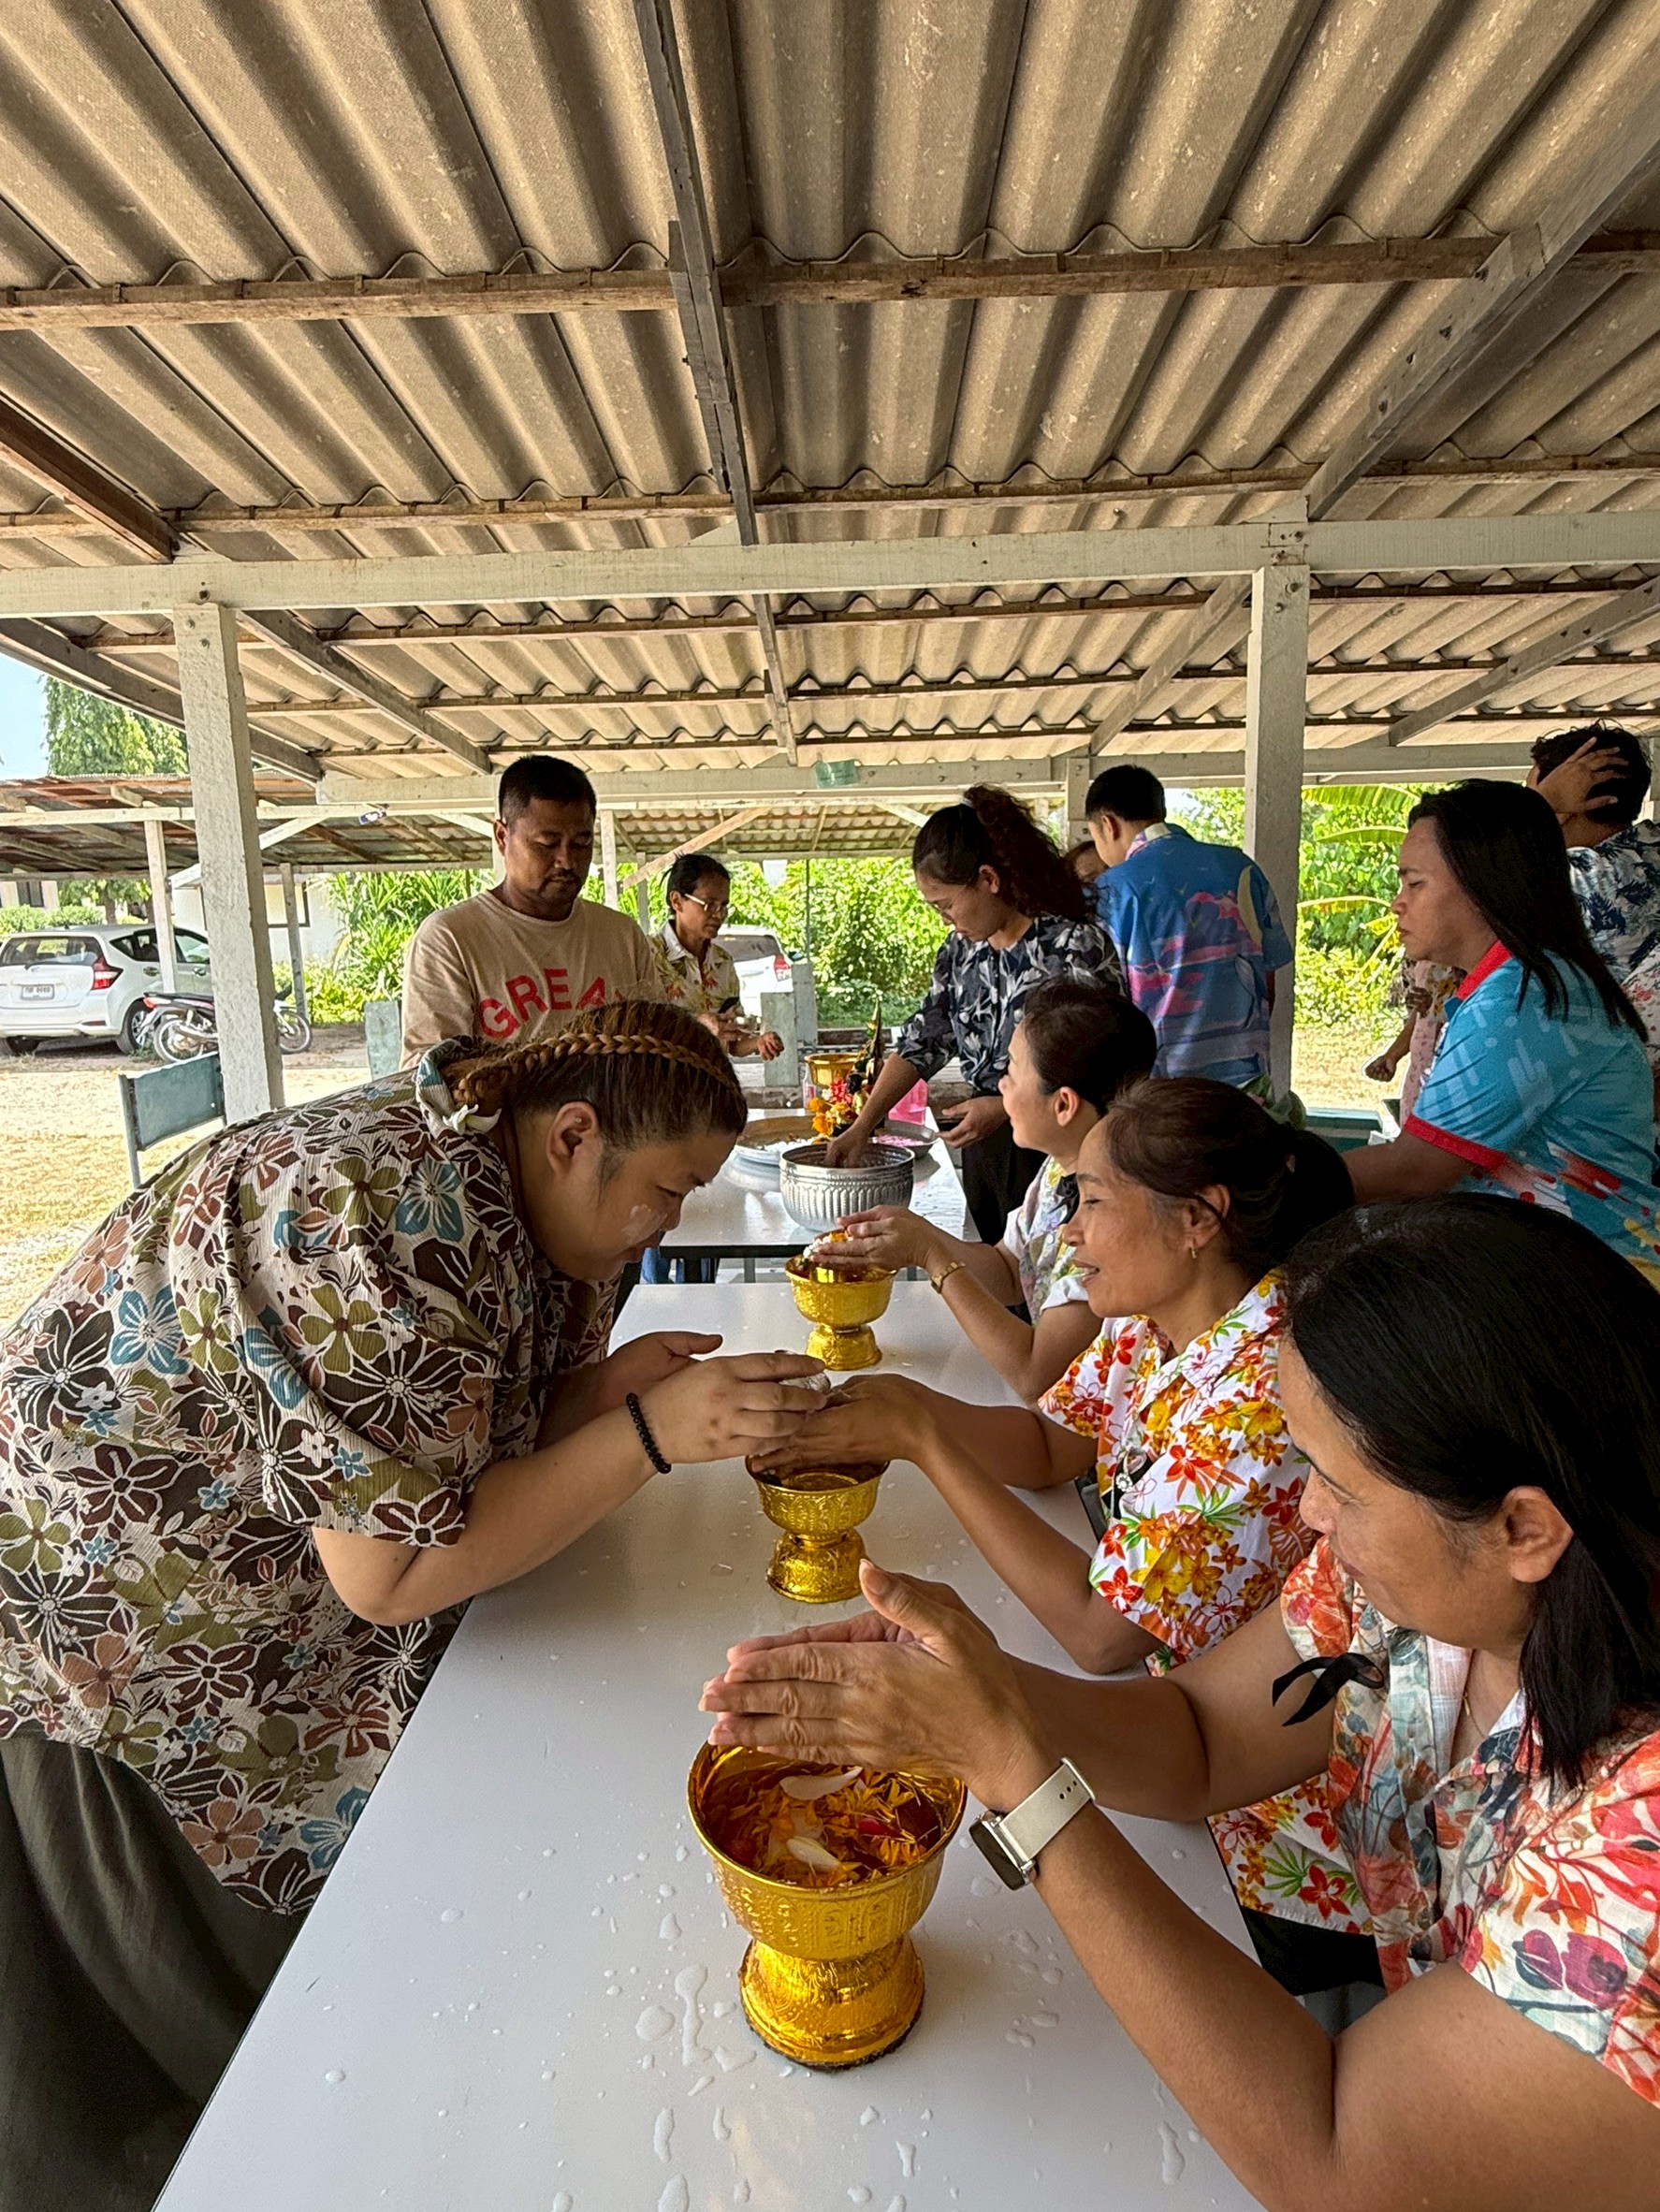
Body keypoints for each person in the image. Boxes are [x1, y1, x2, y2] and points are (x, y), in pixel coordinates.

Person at [0, 998, 823, 2210]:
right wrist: (647, 1438)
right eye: (665, 1189)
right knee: (238, 2033)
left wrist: (597, 1396)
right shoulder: (357, 1217)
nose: (672, 1222)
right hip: (130, 1613)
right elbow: (388, 1573)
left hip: (271, 1580)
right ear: (572, 1134)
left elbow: (448, 1434)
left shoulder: (519, 1190)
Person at [704, 1198, 1660, 2210]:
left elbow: (1336, 2165)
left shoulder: (1640, 1839)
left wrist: (1016, 1778)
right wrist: (971, 1682)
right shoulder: (1417, 1587)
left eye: (1337, 1484)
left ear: (1523, 1528)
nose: (1307, 1514)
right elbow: (1202, 1736)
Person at [760, 1080, 1369, 1993]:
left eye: (1090, 1201)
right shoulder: (1152, 1321)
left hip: (1258, 1838)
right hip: (1163, 1736)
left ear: (1197, 1220)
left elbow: (1096, 1630)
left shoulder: (1258, 1395)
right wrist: (901, 1406)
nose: (1068, 1230)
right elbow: (1050, 1445)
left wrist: (923, 1441)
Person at [1345, 780, 1660, 1276]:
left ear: (1479, 884)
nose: (1397, 903)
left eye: (1414, 883)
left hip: (1593, 1285)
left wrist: (1266, 1174)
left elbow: (1415, 1170)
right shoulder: (1520, 983)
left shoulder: (1524, 998)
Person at [826, 981, 1157, 1402]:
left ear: (1063, 1105)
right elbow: (1009, 1270)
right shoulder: (1059, 1173)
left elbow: (1036, 1372)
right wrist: (918, 1237)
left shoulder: (1110, 1216)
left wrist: (933, 1258)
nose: (1000, 1086)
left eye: (1012, 1072)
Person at [823, 786, 1118, 1244]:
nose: (946, 919)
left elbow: (1105, 1063)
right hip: (988, 1146)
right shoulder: (962, 953)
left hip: (1062, 1147)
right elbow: (925, 1040)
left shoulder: (1072, 947)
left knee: (1058, 1280)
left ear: (989, 879)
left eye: (946, 905)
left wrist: (1003, 1106)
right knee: (1001, 1268)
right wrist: (863, 1126)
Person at [400, 755, 663, 1062]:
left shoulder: (621, 936)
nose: (566, 860)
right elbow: (428, 1076)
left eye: (580, 843)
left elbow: (655, 1047)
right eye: (546, 843)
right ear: (502, 836)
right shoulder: (451, 939)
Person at [1086, 764, 1292, 1091]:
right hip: (1246, 1086)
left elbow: (1104, 1008)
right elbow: (1268, 983)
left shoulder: (1110, 891)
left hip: (1160, 1093)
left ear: (1107, 825)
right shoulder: (1242, 868)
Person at [1530, 723, 1660, 1084]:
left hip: (1616, 1097)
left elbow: (1473, 878)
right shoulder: (1650, 849)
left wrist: (1541, 807)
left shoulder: (1582, 877)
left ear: (1568, 806)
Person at [650, 853, 783, 1062]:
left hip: (711, 1084)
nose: (719, 915)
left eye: (723, 906)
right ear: (677, 901)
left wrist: (757, 1042)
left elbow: (732, 1042)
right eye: (710, 904)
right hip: (663, 1085)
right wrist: (697, 1025)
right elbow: (638, 1027)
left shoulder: (723, 962)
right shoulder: (648, 957)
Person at [1363, 958, 1461, 1120]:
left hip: (1454, 1074)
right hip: (1420, 1074)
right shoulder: (1413, 958)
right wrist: (1392, 1055)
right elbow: (1419, 1016)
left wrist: (1436, 1006)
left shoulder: (1471, 959)